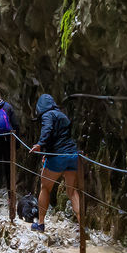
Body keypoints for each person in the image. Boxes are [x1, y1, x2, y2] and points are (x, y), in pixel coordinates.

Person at [27, 94, 81, 231]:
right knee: (72, 191)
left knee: (45, 188)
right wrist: (46, 150)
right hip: (72, 155)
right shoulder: (62, 115)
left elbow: (48, 130)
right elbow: (61, 136)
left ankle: (40, 224)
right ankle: (83, 227)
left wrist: (40, 144)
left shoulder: (47, 115)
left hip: (58, 157)